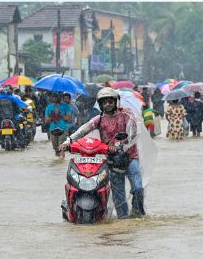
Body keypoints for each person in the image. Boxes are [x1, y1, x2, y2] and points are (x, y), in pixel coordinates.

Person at [58, 87, 146, 217]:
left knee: (138, 188)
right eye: (104, 102)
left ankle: (138, 214)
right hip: (112, 161)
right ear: (100, 105)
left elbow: (133, 134)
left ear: (116, 102)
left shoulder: (127, 115)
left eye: (110, 101)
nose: (107, 104)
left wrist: (119, 144)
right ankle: (124, 221)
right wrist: (68, 141)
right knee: (119, 196)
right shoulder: (99, 119)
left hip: (131, 157)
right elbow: (83, 130)